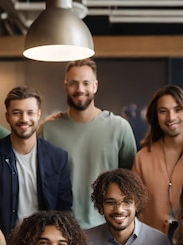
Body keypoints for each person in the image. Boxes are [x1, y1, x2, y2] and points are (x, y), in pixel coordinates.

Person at [40, 58, 137, 229]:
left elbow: (131, 182)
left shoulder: (119, 127)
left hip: (109, 227)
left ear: (95, 86)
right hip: (61, 227)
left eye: (86, 83)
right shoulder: (48, 130)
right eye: (73, 83)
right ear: (65, 86)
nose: (80, 89)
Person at [0, 86, 72, 239]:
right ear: (7, 116)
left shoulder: (58, 157)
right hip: (5, 242)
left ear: (39, 115)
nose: (24, 119)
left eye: (30, 112)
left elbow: (65, 209)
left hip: (46, 242)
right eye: (16, 113)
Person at [132, 85, 183, 239]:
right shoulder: (143, 157)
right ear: (156, 116)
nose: (171, 117)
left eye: (177, 109)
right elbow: (133, 205)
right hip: (150, 243)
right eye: (163, 111)